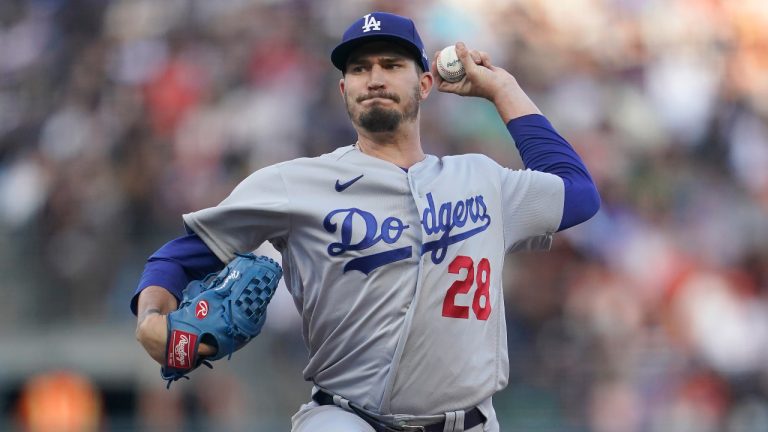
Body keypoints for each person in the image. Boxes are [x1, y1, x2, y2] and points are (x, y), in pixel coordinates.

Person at [132, 11, 600, 432]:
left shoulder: (482, 180)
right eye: (359, 68)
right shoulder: (295, 182)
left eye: (391, 65)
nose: (374, 77)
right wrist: (151, 317)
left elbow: (578, 194)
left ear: (424, 84)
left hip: (472, 421)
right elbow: (179, 256)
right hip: (345, 417)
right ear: (344, 90)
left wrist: (503, 90)